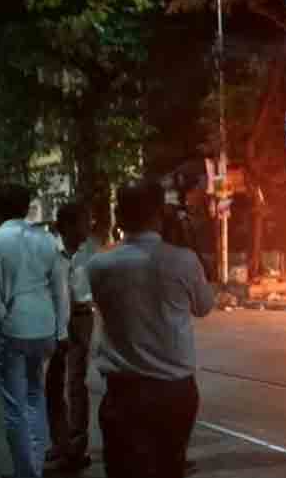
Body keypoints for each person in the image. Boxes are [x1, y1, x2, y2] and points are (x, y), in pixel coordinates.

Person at [87, 179, 214, 478]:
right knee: (169, 468)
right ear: (161, 213)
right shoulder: (184, 260)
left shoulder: (99, 264)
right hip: (175, 392)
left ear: (118, 215)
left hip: (123, 393)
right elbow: (204, 307)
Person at [0, 184, 69, 478]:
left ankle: (26, 473)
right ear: (26, 207)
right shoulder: (48, 239)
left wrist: (0, 318)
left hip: (11, 329)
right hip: (44, 328)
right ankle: (35, 467)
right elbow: (59, 289)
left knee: (14, 408)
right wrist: (60, 330)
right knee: (35, 397)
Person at [45, 202, 98, 472]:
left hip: (82, 317)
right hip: (55, 319)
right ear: (66, 226)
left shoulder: (91, 251)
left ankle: (76, 445)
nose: (88, 226)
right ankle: (60, 442)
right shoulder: (50, 251)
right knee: (53, 381)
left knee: (76, 381)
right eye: (83, 221)